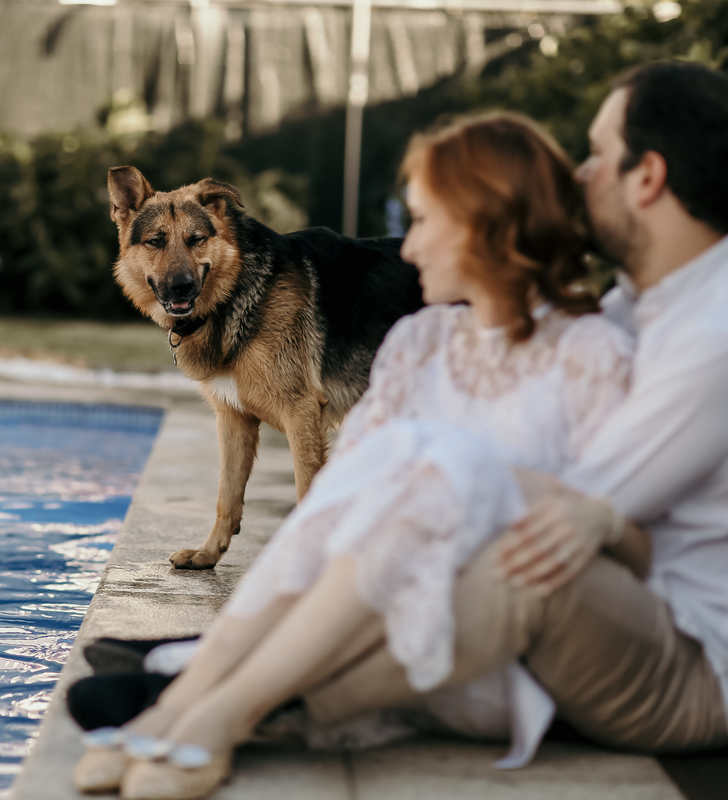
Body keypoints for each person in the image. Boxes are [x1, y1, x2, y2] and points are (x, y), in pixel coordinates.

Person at [72, 110, 643, 800]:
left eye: (424, 222)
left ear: (489, 228)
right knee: (373, 483)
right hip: (422, 601)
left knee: (427, 461)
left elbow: (627, 535)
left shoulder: (593, 353)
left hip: (519, 616)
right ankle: (193, 690)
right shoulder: (419, 344)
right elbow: (339, 505)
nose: (404, 247)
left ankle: (206, 701)